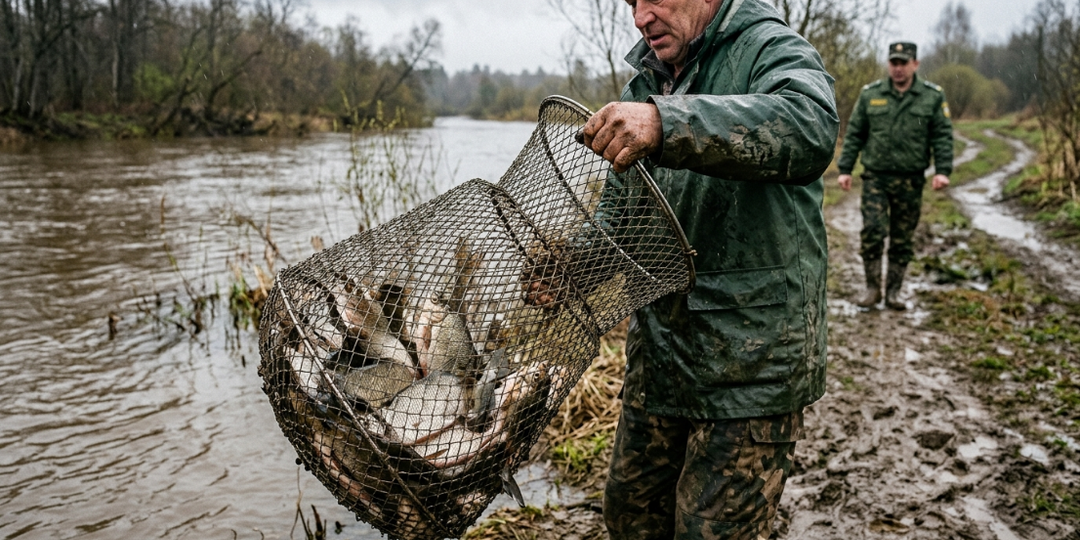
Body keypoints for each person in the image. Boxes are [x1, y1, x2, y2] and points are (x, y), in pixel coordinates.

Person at [576, 0, 838, 538]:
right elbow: (621, 215)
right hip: (662, 361)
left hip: (750, 369)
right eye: (630, 3)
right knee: (630, 518)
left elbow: (812, 128)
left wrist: (665, 122)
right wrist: (575, 266)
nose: (640, 17)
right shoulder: (646, 83)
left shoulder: (768, 46)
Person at [837, 41, 953, 310]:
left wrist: (943, 170)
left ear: (915, 64)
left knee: (902, 238)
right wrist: (845, 169)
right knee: (872, 232)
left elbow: (942, 135)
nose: (898, 68)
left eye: (903, 63)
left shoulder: (932, 96)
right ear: (888, 64)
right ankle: (872, 289)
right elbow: (855, 134)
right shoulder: (870, 95)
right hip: (875, 177)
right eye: (894, 63)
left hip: (910, 179)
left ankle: (894, 293)